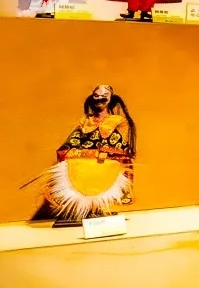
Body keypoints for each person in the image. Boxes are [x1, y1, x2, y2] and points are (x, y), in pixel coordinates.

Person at [34, 84, 136, 223]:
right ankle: (87, 211)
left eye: (104, 96)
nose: (100, 98)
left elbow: (122, 149)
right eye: (96, 96)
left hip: (104, 165)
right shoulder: (85, 122)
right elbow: (71, 144)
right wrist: (76, 152)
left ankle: (98, 210)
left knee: (103, 186)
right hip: (83, 165)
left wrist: (107, 153)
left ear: (111, 99)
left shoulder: (116, 122)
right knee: (78, 179)